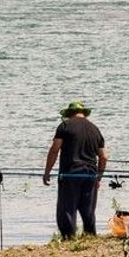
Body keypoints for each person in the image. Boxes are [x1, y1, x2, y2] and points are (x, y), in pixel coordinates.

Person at [42, 101, 106, 240]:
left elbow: (55, 149)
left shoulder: (64, 126)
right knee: (88, 210)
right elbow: (103, 157)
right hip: (90, 175)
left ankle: (68, 237)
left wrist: (47, 171)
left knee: (67, 209)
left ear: (69, 114)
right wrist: (99, 177)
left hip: (70, 174)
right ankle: (90, 236)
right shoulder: (95, 129)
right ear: (84, 113)